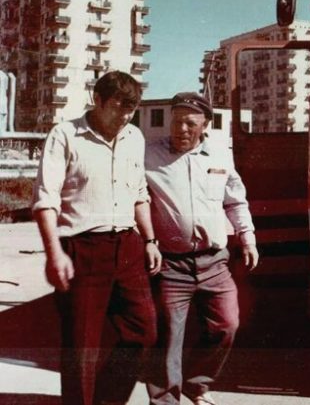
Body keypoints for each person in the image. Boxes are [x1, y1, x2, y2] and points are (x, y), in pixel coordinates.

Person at [31, 70, 161, 405]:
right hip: (83, 248)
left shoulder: (134, 137)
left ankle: (105, 400)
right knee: (82, 347)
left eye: (131, 109)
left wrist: (149, 240)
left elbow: (139, 193)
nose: (124, 116)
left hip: (128, 247)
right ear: (97, 100)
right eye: (118, 107)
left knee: (144, 331)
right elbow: (45, 200)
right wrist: (54, 253)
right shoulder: (65, 135)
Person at [145, 92, 259, 405]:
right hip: (171, 264)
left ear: (205, 124)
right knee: (169, 336)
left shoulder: (220, 155)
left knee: (227, 325)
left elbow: (235, 200)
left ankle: (197, 384)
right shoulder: (148, 155)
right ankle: (165, 400)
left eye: (190, 123)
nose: (181, 129)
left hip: (214, 263)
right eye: (176, 121)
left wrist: (247, 237)